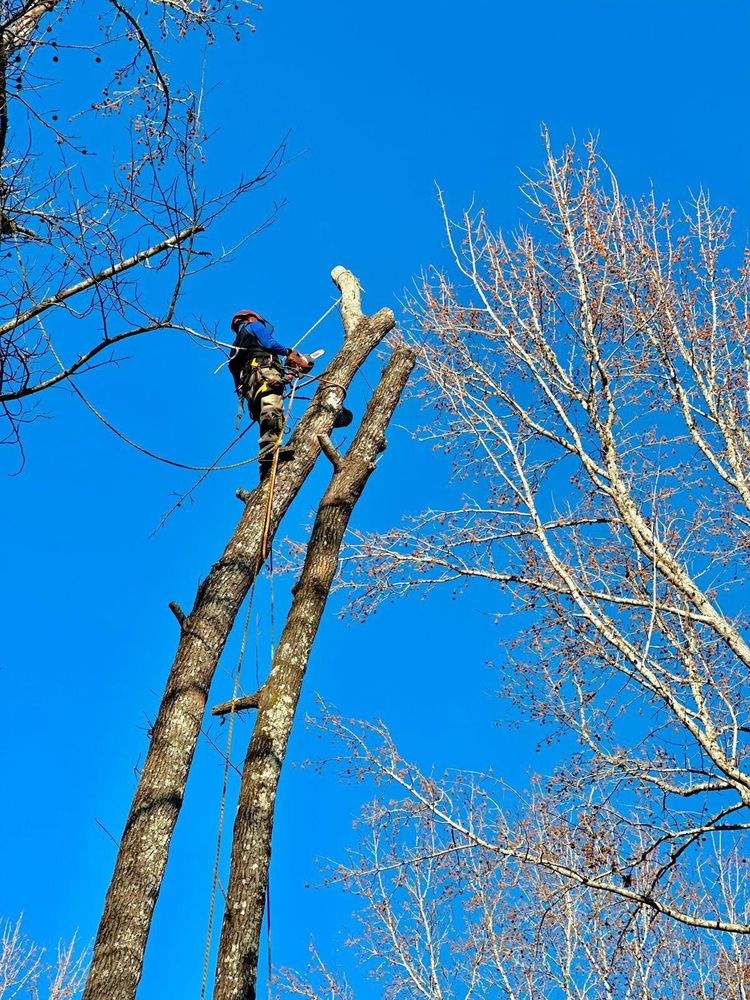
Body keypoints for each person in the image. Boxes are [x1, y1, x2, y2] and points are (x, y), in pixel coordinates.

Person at [228, 309, 312, 482]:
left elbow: (235, 375)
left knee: (270, 419)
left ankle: (266, 468)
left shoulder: (235, 348)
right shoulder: (254, 325)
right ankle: (269, 452)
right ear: (251, 318)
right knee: (272, 410)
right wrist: (288, 352)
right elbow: (268, 343)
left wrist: (286, 374)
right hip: (265, 376)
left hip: (251, 390)